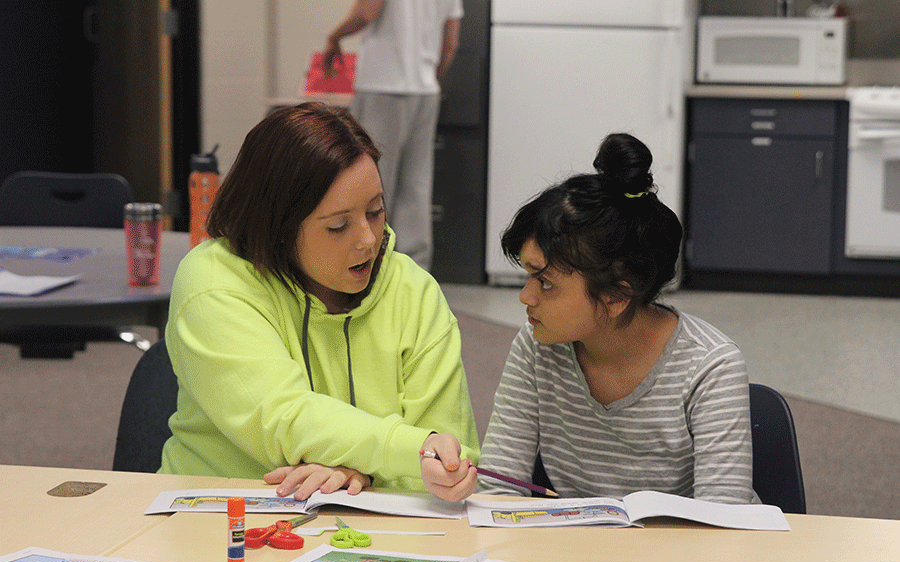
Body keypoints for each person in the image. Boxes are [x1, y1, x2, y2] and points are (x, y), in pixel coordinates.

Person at [158, 102, 479, 502]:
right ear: (276, 225)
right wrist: (396, 454)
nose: (367, 239)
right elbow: (282, 419)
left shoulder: (414, 292)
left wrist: (357, 472)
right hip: (218, 518)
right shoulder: (212, 281)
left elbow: (447, 455)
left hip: (376, 532)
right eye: (338, 225)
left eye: (376, 211)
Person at [423, 132, 758, 504]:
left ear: (615, 294)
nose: (525, 296)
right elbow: (500, 490)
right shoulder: (537, 347)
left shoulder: (709, 366)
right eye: (528, 276)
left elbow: (724, 523)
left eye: (546, 283)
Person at [321, 0, 463, 271]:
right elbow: (451, 43)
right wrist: (427, 78)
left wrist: (334, 37)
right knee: (417, 185)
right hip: (425, 91)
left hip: (382, 86)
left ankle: (367, 268)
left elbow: (366, 12)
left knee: (371, 180)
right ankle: (414, 275)